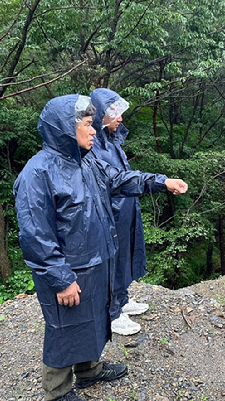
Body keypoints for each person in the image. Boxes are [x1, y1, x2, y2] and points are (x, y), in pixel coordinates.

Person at [13, 94, 188, 401]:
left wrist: (161, 182)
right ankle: (57, 392)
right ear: (66, 128)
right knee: (64, 327)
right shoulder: (38, 173)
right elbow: (36, 236)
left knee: (93, 318)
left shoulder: (88, 160)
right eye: (86, 124)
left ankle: (90, 369)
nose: (94, 130)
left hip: (96, 263)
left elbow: (120, 180)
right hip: (68, 272)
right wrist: (62, 279)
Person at [90, 88, 147, 335]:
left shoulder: (112, 141)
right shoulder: (93, 146)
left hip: (126, 209)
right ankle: (112, 314)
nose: (120, 119)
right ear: (101, 116)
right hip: (110, 212)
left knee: (125, 255)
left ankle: (122, 299)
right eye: (114, 115)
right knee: (112, 261)